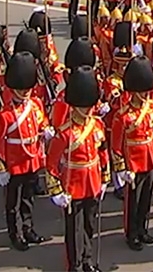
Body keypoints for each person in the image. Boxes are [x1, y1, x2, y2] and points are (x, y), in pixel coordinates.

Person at [47, 67, 109, 272]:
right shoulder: (65, 134)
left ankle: (87, 260)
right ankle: (73, 264)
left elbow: (102, 152)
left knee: (89, 225)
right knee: (74, 229)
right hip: (72, 185)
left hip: (92, 182)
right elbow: (51, 163)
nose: (89, 109)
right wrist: (56, 191)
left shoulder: (97, 126)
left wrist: (105, 177)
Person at [0, 51, 51, 251]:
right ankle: (15, 233)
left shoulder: (35, 105)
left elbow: (41, 121)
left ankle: (28, 228)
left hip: (32, 159)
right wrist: (1, 166)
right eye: (22, 88)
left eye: (28, 87)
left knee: (28, 198)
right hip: (15, 163)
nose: (26, 91)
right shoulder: (5, 115)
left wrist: (46, 129)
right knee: (13, 202)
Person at [112, 56, 153, 252]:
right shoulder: (123, 115)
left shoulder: (150, 109)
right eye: (141, 91)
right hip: (133, 162)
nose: (144, 94)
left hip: (149, 158)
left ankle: (142, 229)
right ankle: (131, 233)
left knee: (146, 197)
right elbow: (116, 146)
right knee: (133, 200)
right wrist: (122, 168)